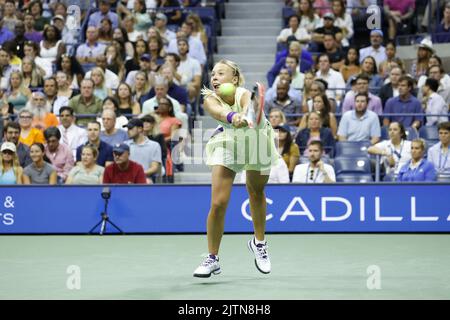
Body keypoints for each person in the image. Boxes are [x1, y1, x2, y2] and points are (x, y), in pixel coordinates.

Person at [192, 59, 280, 278]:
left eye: (221, 73)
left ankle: (259, 243)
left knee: (256, 191)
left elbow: (248, 103)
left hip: (258, 140)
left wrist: (247, 113)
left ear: (234, 78)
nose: (214, 77)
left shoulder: (242, 93)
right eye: (212, 74)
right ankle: (212, 258)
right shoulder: (210, 98)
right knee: (218, 202)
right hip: (228, 141)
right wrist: (233, 117)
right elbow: (219, 112)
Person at [124, 118, 162, 183]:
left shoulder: (154, 145)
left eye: (130, 128)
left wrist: (137, 175)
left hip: (145, 178)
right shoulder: (125, 145)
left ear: (140, 129)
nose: (128, 131)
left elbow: (154, 168)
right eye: (127, 129)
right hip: (127, 179)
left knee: (147, 182)